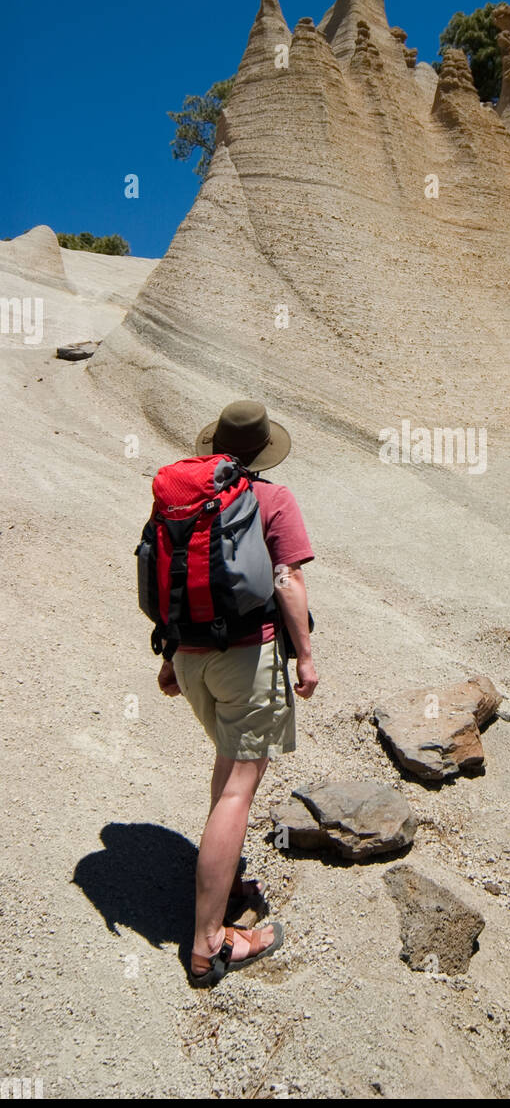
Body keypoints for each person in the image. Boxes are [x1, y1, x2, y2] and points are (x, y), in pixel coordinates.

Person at [156, 400, 318, 986]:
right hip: (246, 658)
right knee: (239, 792)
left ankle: (215, 888)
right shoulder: (273, 500)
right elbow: (288, 580)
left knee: (227, 773)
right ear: (262, 450)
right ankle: (207, 946)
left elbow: (168, 577)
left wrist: (173, 655)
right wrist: (305, 656)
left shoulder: (185, 499)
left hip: (191, 656)